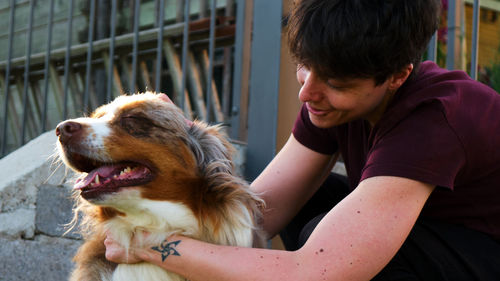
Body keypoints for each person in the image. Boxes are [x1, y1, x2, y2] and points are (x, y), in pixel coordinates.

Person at [104, 0, 500, 279]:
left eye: (335, 83)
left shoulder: (435, 120)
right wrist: (183, 143)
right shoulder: (333, 104)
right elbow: (256, 216)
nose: (307, 93)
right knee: (316, 200)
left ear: (397, 76)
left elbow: (316, 271)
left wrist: (147, 246)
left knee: (323, 238)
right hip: (435, 240)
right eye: (304, 67)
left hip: (484, 253)